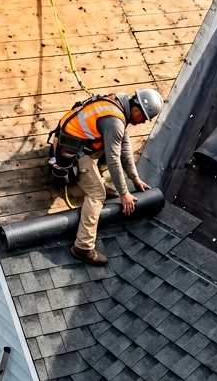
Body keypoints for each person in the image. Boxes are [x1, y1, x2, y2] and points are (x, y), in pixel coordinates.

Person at [59, 87, 163, 265]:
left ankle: (102, 180)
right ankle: (83, 247)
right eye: (144, 118)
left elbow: (124, 149)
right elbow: (114, 159)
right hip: (74, 153)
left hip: (81, 143)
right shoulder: (114, 122)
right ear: (136, 109)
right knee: (97, 195)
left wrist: (134, 178)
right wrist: (124, 194)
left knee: (114, 153)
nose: (143, 122)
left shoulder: (118, 106)